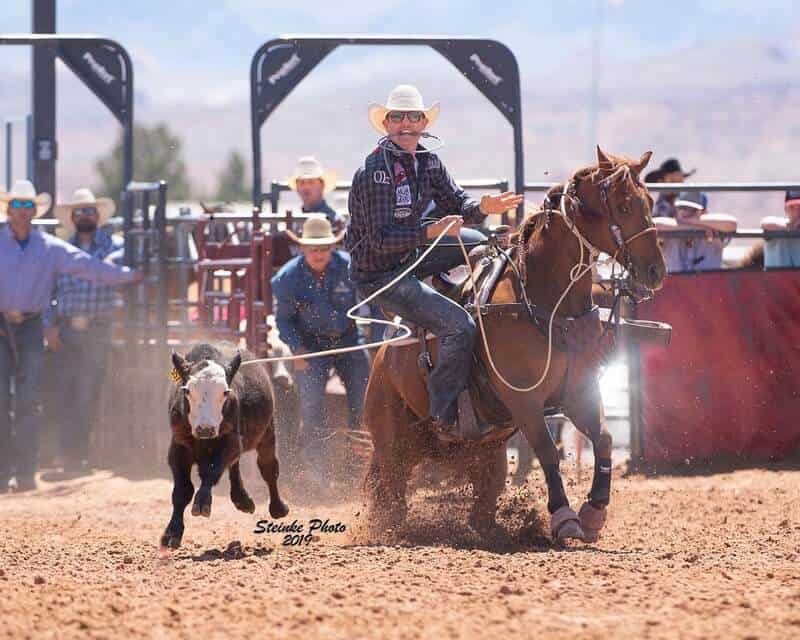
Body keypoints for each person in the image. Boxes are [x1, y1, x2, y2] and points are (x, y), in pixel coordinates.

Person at [346, 84, 523, 439]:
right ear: (387, 124)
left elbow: (458, 202)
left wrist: (483, 208)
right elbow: (378, 241)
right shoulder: (375, 172)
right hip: (382, 275)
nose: (406, 123)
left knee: (486, 245)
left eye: (413, 116)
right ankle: (444, 414)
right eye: (397, 117)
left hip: (411, 256)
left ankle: (461, 304)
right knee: (459, 326)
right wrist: (430, 233)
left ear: (423, 121)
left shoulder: (427, 162)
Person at [0, 180, 141, 492]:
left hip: (33, 325)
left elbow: (87, 267)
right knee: (6, 398)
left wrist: (130, 276)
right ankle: (4, 472)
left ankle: (24, 473)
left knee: (28, 400)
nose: (22, 212)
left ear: (34, 212)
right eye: (17, 206)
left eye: (27, 206)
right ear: (9, 210)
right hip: (7, 325)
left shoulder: (49, 248)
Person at [271, 215, 370, 490]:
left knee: (364, 401)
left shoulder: (350, 269)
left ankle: (360, 468)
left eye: (323, 248)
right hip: (310, 347)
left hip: (349, 340)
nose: (318, 253)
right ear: (302, 249)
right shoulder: (287, 279)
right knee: (312, 406)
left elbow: (373, 300)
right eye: (313, 248)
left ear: (332, 248)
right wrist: (297, 349)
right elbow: (283, 321)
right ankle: (318, 471)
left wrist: (383, 330)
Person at [44, 188, 123, 477]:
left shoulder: (115, 247)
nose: (84, 216)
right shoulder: (62, 250)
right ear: (73, 218)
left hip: (97, 329)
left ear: (98, 216)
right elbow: (48, 290)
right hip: (66, 329)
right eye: (79, 212)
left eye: (89, 211)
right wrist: (49, 325)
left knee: (86, 392)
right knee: (65, 392)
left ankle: (79, 456)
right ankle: (71, 456)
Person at [654, 190, 737, 272]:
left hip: (707, 284)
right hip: (675, 284)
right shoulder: (669, 231)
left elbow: (731, 224)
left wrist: (689, 222)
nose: (685, 212)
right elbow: (653, 224)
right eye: (681, 207)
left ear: (704, 212)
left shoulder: (715, 231)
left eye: (693, 209)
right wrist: (695, 226)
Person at [288, 156, 342, 230]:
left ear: (322, 185)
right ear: (297, 187)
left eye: (311, 182)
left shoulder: (335, 221)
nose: (306, 187)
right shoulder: (295, 222)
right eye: (302, 183)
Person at [761, 190, 800, 268]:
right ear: (785, 209)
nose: (797, 211)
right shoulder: (778, 225)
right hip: (777, 279)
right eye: (792, 207)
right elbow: (765, 223)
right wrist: (790, 227)